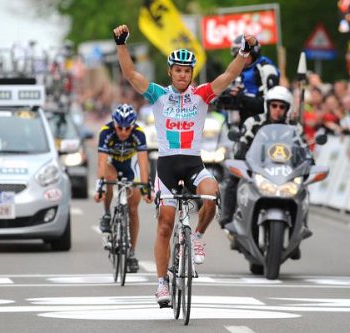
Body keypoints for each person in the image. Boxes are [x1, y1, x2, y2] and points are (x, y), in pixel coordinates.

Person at [113, 23, 258, 305]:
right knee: (165, 225)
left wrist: (244, 51)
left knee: (211, 194)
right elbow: (130, 74)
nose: (182, 74)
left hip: (193, 164)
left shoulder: (201, 95)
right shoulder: (158, 94)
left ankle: (198, 236)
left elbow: (229, 74)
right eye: (178, 70)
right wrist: (121, 44)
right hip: (167, 167)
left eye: (187, 70)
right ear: (170, 72)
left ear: (191, 73)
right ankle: (161, 283)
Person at [225, 86, 308, 257]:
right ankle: (230, 221)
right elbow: (242, 144)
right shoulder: (253, 122)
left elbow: (303, 150)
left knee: (304, 189)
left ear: (287, 109)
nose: (277, 110)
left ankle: (298, 232)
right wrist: (240, 150)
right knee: (232, 180)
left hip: (285, 173)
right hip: (258, 170)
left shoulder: (295, 128)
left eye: (282, 107)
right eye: (274, 105)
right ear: (267, 106)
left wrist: (308, 159)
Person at [218, 35, 280, 229]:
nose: (240, 57)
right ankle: (228, 216)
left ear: (253, 52)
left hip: (267, 129)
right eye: (236, 54)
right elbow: (227, 101)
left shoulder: (265, 69)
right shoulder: (235, 72)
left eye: (243, 54)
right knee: (236, 168)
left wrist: (242, 98)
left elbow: (271, 103)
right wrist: (225, 99)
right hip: (244, 128)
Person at [94, 103, 152, 273]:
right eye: (120, 128)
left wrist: (145, 189)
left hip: (129, 168)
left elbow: (143, 164)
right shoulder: (106, 131)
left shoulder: (139, 133)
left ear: (133, 125)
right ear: (114, 124)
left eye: (128, 128)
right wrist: (100, 188)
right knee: (109, 178)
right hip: (112, 165)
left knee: (133, 209)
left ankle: (131, 253)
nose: (124, 132)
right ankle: (107, 214)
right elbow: (101, 162)